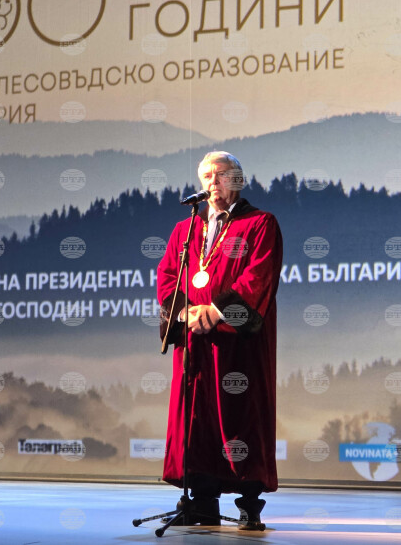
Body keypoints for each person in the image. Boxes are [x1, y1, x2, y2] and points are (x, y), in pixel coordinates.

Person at [157, 151, 283, 530]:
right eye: (208, 176)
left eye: (223, 175)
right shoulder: (185, 230)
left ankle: (249, 504)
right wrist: (185, 314)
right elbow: (168, 276)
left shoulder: (260, 223)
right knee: (197, 419)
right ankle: (202, 502)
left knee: (242, 417)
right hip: (196, 344)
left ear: (238, 180)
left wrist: (214, 312)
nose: (214, 182)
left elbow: (258, 276)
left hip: (238, 345)